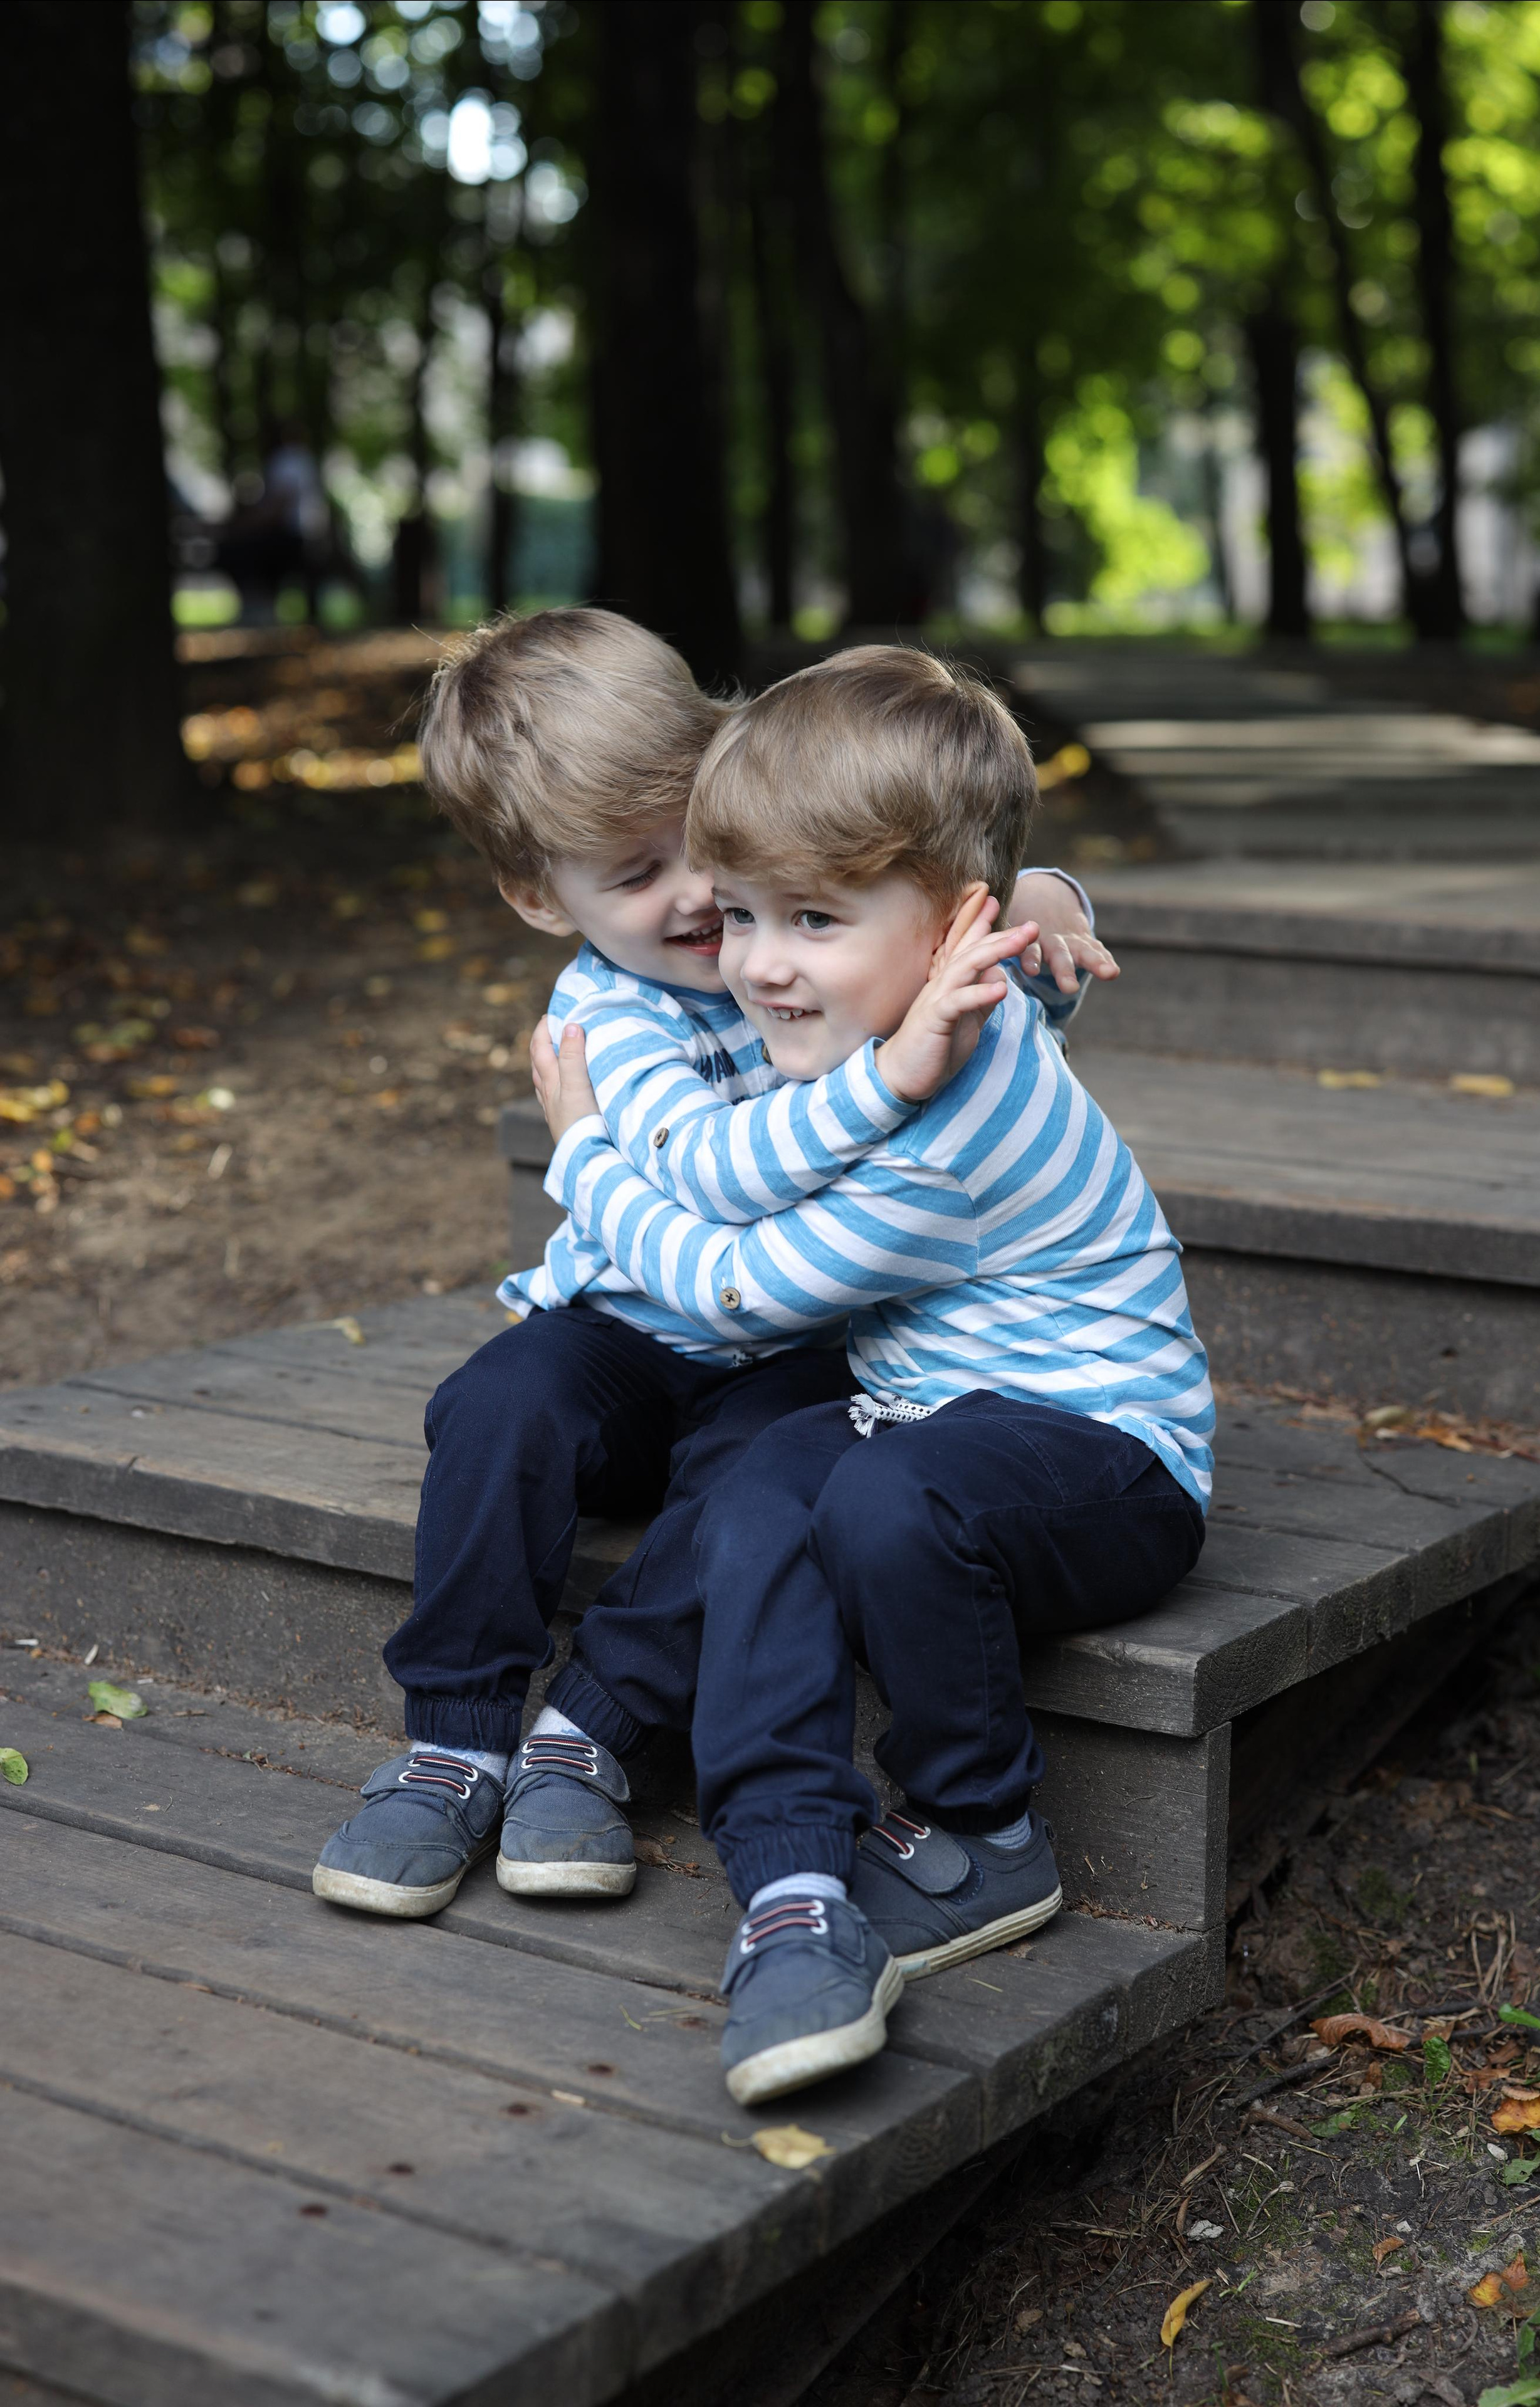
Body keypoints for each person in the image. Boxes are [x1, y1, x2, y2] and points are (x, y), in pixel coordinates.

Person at [313, 607, 1115, 1921]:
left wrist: (1038, 897)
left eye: (700, 834)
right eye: (636, 873)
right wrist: (865, 1084)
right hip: (636, 1325)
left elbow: (985, 977)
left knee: (767, 1474)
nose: (697, 894)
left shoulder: (796, 938)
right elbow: (706, 1171)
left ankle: (593, 1725)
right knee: (498, 1403)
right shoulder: (605, 1017)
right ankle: (456, 1735)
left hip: (800, 1341)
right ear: (538, 897)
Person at [531, 645, 1213, 2107]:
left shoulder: (952, 1115)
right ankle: (779, 1860)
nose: (758, 965)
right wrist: (1047, 895)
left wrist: (584, 1156)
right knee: (762, 1483)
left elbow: (738, 1284)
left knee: (879, 1498)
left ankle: (983, 1830)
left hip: (1106, 1460)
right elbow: (736, 1172)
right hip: (933, 1411)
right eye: (741, 914)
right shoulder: (896, 1032)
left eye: (814, 919)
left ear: (953, 930)